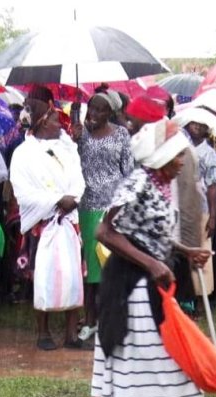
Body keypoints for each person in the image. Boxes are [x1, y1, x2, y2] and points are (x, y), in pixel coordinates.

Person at [66, 118, 212, 397]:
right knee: (175, 353)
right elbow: (104, 232)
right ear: (160, 158)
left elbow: (146, 233)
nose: (181, 162)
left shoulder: (159, 185)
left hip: (142, 282)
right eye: (176, 156)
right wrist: (152, 263)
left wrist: (185, 251)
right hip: (134, 287)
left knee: (118, 354)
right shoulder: (137, 183)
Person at [10, 96, 88, 351]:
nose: (60, 123)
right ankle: (43, 332)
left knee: (74, 277)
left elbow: (78, 179)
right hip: (42, 224)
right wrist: (57, 200)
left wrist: (73, 198)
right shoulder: (23, 154)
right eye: (55, 119)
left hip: (69, 222)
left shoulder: (68, 148)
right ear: (43, 122)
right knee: (42, 277)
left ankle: (71, 335)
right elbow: (23, 193)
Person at [73, 91, 134, 340]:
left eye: (100, 110)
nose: (94, 114)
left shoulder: (121, 135)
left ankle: (114, 319)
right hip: (87, 207)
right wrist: (74, 141)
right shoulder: (81, 136)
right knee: (90, 268)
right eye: (91, 109)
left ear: (111, 112)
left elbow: (129, 172)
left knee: (112, 266)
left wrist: (125, 205)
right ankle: (90, 320)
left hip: (114, 209)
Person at [173, 107, 216, 307]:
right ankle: (185, 298)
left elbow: (213, 187)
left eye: (201, 126)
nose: (197, 128)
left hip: (201, 208)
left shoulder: (209, 153)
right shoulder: (180, 147)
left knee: (201, 251)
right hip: (181, 207)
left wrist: (213, 215)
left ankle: (201, 300)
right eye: (194, 123)